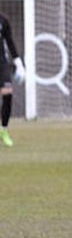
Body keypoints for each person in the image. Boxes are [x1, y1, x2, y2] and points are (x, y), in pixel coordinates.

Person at [0, 11, 24, 147]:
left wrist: (19, 64)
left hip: (2, 64)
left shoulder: (3, 20)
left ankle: (3, 130)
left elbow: (10, 42)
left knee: (7, 94)